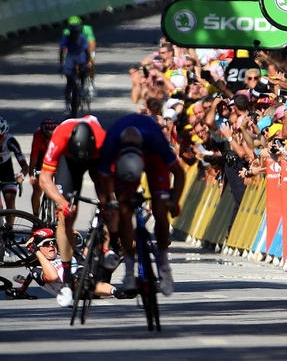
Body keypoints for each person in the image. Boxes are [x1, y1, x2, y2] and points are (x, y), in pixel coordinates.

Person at [98, 113, 186, 296]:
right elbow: (103, 178)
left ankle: (164, 265)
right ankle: (129, 272)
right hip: (124, 162)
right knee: (124, 211)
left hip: (154, 159)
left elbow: (179, 173)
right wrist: (110, 202)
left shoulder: (156, 137)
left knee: (160, 211)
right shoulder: (112, 140)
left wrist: (174, 201)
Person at [38, 116, 106, 306]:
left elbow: (111, 180)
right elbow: (44, 179)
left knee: (109, 204)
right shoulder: (60, 135)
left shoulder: (102, 140)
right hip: (69, 161)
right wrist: (63, 202)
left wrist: (109, 203)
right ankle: (67, 279)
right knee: (66, 215)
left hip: (96, 158)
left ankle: (107, 248)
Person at [27, 228, 125, 299]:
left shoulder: (63, 256)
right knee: (80, 279)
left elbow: (81, 252)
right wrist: (36, 252)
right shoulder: (38, 269)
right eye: (46, 244)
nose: (51, 245)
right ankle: (115, 291)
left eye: (53, 242)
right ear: (38, 249)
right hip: (80, 289)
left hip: (92, 272)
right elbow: (52, 276)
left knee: (104, 232)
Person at [59, 24, 92, 113]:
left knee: (83, 69)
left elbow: (87, 51)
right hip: (70, 55)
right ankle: (67, 103)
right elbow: (62, 51)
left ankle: (82, 86)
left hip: (80, 54)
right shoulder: (65, 38)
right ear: (70, 33)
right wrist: (61, 64)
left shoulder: (83, 38)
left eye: (76, 32)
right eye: (73, 33)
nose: (74, 35)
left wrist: (88, 63)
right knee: (69, 80)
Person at [29, 117, 59, 217]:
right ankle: (35, 216)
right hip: (42, 157)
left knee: (61, 188)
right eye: (46, 137)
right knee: (37, 189)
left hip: (57, 156)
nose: (49, 139)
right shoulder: (38, 136)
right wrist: (31, 174)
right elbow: (34, 157)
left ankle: (59, 215)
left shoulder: (60, 135)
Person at [62, 16, 97, 93]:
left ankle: (91, 82)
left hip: (86, 49)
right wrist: (64, 59)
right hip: (73, 50)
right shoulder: (66, 32)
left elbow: (92, 43)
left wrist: (90, 58)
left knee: (91, 63)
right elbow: (64, 48)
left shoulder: (87, 29)